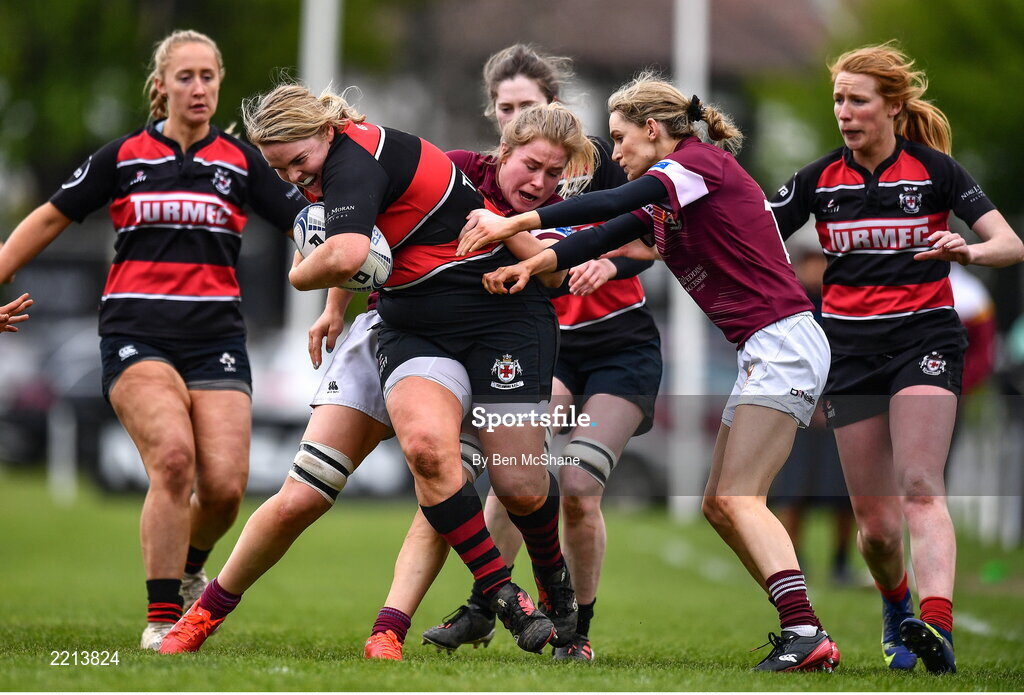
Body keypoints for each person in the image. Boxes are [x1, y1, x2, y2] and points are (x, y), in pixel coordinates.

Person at [158, 83, 579, 657]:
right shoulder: (429, 165)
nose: (296, 181)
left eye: (299, 163)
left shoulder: (360, 161)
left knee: (516, 484)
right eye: (282, 171)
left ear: (327, 132)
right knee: (386, 469)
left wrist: (300, 272)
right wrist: (334, 304)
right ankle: (203, 619)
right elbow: (361, 255)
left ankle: (543, 595)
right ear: (502, 148)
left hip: (498, 328)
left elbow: (353, 254)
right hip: (403, 326)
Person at [458, 72, 840, 673]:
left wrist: (513, 225)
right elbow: (605, 235)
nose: (614, 154)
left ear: (653, 131)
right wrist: (533, 267)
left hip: (783, 344)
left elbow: (607, 203)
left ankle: (805, 630)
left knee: (740, 499)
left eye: (619, 139)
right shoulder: (670, 193)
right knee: (720, 504)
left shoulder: (697, 164)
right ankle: (800, 624)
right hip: (766, 348)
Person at [0, 30, 307, 650]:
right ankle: (163, 615)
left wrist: (345, 284)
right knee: (173, 459)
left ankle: (190, 566)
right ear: (160, 85)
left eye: (209, 77)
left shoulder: (241, 162)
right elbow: (50, 216)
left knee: (223, 489)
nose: (199, 88)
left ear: (220, 84)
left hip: (216, 338)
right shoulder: (124, 157)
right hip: (136, 334)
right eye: (186, 76)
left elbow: (315, 222)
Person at [769, 42, 1024, 674]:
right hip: (850, 353)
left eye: (857, 100)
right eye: (838, 101)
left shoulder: (936, 172)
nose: (845, 112)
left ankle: (936, 625)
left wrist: (966, 253)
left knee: (920, 485)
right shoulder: (817, 180)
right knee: (877, 529)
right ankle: (896, 603)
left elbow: (1010, 244)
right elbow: (751, 237)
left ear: (891, 106)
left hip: (925, 342)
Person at [768, 250, 855, 586]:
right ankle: (793, 561)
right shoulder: (790, 308)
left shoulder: (842, 305)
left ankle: (840, 562)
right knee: (793, 488)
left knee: (844, 491)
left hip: (841, 410)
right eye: (809, 263)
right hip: (797, 409)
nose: (816, 270)